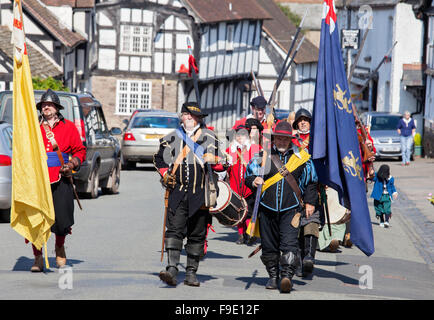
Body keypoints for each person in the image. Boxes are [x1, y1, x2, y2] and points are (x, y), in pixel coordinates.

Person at [153, 101, 223, 287]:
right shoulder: (171, 138)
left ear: (199, 118)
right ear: (182, 116)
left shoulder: (210, 138)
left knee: (197, 234)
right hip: (177, 192)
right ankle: (172, 269)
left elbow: (223, 164)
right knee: (174, 230)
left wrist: (213, 159)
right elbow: (159, 159)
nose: (190, 118)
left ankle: (191, 272)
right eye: (187, 115)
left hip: (200, 194)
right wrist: (165, 174)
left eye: (195, 116)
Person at [245, 121, 318, 293]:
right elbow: (248, 176)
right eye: (279, 138)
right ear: (274, 138)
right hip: (266, 208)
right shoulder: (262, 156)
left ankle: (287, 276)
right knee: (269, 245)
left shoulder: (303, 158)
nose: (282, 141)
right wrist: (253, 181)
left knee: (290, 244)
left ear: (290, 139)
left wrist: (310, 202)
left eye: (286, 138)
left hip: (291, 209)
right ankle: (272, 276)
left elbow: (312, 182)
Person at [29, 89, 86, 272]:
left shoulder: (69, 127)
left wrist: (71, 164)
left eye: (50, 104)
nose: (46, 107)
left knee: (61, 220)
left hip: (61, 178)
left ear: (56, 108)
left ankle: (59, 248)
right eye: (44, 105)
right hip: (38, 179)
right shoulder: (33, 127)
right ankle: (37, 257)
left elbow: (80, 151)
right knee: (36, 220)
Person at [291, 108, 322, 277]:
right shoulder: (291, 139)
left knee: (311, 220)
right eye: (300, 120)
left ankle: (309, 257)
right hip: (293, 187)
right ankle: (295, 260)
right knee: (293, 225)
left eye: (306, 120)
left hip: (314, 187)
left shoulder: (317, 139)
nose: (303, 122)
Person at [225, 120, 263, 245]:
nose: (240, 137)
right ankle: (240, 235)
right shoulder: (230, 150)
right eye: (238, 135)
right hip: (235, 187)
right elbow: (224, 167)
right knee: (238, 211)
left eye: (243, 134)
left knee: (250, 212)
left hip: (250, 187)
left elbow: (261, 166)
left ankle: (250, 233)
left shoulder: (256, 149)